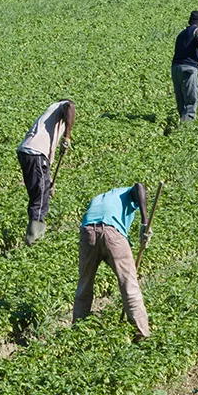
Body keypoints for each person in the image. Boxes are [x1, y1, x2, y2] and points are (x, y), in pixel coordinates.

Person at [73, 183, 152, 342]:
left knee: (84, 284)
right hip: (113, 232)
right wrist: (145, 222)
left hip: (88, 232)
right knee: (129, 284)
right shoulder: (126, 193)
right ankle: (141, 333)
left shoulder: (100, 198)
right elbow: (139, 186)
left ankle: (77, 333)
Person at [17, 99, 76, 245]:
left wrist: (47, 181)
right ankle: (34, 239)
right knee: (40, 195)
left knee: (40, 191)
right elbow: (70, 106)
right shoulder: (63, 106)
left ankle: (34, 234)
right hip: (35, 153)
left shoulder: (50, 116)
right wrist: (67, 137)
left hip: (27, 153)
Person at [171, 10, 198, 123]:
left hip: (176, 69)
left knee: (181, 102)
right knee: (191, 101)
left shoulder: (182, 33)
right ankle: (185, 129)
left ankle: (181, 122)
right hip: (188, 69)